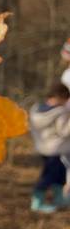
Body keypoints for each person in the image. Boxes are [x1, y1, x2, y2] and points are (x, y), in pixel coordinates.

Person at [28, 83, 70, 213]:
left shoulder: (37, 110)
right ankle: (37, 202)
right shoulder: (60, 112)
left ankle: (60, 198)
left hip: (43, 148)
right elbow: (65, 131)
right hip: (56, 150)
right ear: (60, 97)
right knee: (49, 176)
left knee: (59, 175)